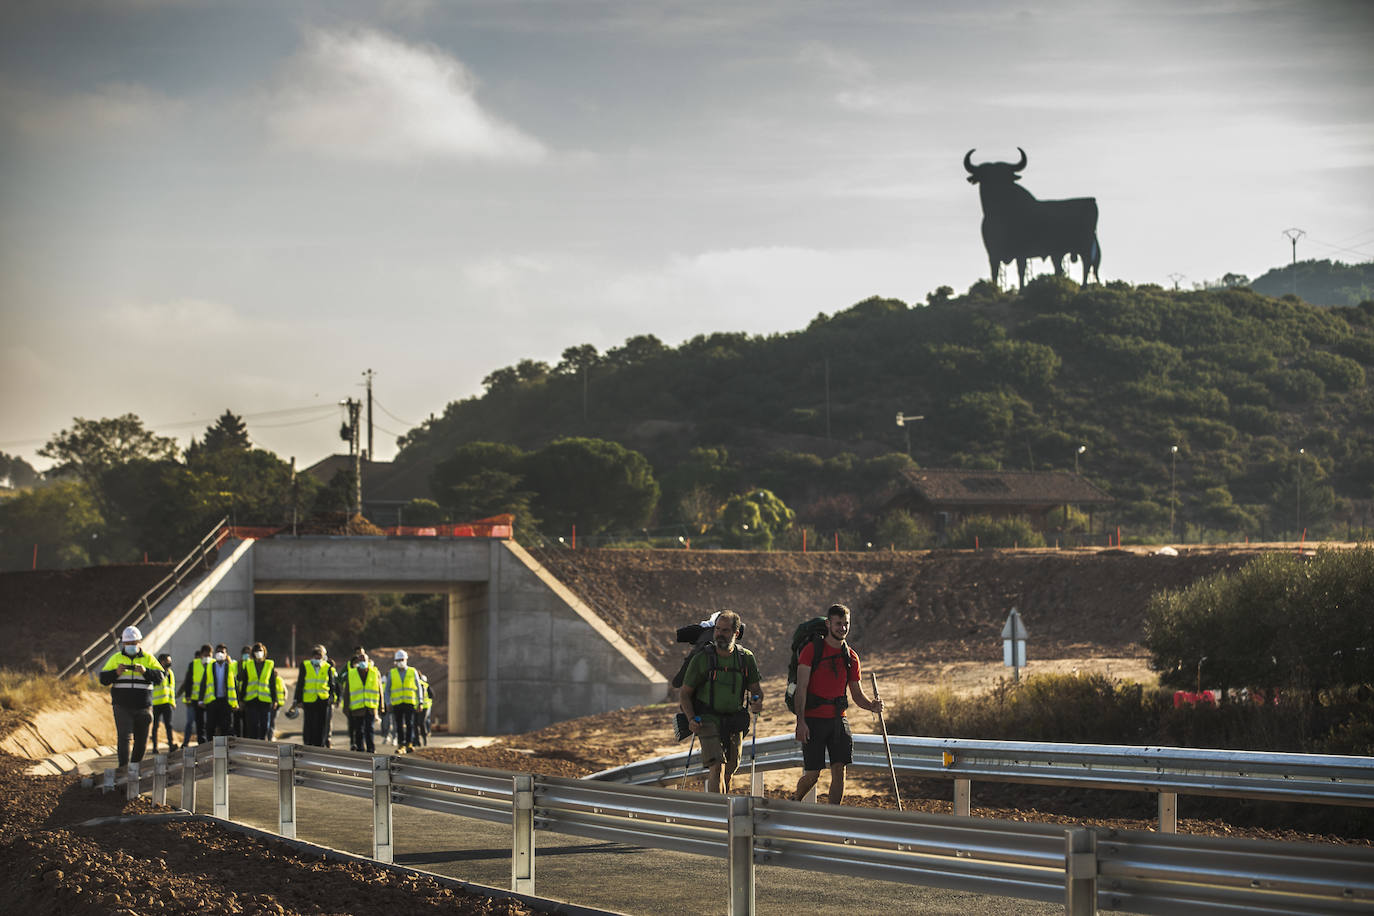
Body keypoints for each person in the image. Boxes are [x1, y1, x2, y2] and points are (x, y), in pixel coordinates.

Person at [791, 603, 883, 805]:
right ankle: (795, 800)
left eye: (846, 624)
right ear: (828, 624)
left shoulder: (851, 657)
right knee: (813, 774)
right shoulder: (811, 651)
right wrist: (801, 721)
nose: (842, 628)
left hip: (838, 720)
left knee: (840, 771)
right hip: (813, 720)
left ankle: (832, 817)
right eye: (838, 623)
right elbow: (802, 688)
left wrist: (872, 706)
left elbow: (857, 695)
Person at [678, 610, 763, 793]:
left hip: (734, 721)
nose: (719, 634)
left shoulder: (745, 658)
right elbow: (685, 693)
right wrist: (691, 718)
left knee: (729, 770)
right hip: (707, 720)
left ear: (736, 633)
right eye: (717, 629)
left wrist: (757, 701)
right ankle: (719, 814)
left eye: (725, 630)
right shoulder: (702, 658)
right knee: (717, 766)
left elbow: (756, 690)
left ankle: (724, 810)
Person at [98, 626, 165, 769]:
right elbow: (103, 679)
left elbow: (160, 677)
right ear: (123, 643)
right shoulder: (116, 658)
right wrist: (116, 673)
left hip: (143, 707)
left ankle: (135, 769)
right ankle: (123, 769)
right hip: (122, 706)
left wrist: (145, 671)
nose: (131, 646)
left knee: (141, 741)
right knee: (124, 737)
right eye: (128, 643)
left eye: (134, 643)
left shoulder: (148, 658)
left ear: (140, 642)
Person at [291, 645, 337, 747]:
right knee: (309, 722)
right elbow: (300, 683)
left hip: (323, 699)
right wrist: (298, 700)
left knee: (322, 724)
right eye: (316, 656)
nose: (318, 659)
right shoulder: (305, 665)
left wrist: (332, 697)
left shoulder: (327, 667)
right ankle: (308, 742)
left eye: (319, 657)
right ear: (312, 656)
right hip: (309, 699)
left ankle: (320, 744)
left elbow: (331, 684)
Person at [340, 652, 384, 753]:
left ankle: (371, 750)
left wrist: (381, 706)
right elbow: (347, 692)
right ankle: (360, 750)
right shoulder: (351, 674)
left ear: (368, 661)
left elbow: (380, 690)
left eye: (364, 660)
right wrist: (346, 707)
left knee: (370, 729)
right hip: (357, 708)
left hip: (370, 707)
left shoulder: (374, 672)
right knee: (359, 731)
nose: (362, 662)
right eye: (360, 660)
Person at [239, 641, 277, 740]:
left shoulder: (269, 664)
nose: (258, 653)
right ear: (253, 653)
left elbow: (272, 683)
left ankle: (262, 744)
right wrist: (242, 700)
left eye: (260, 651)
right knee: (253, 725)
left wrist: (275, 699)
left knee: (265, 725)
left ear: (264, 652)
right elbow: (245, 683)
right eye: (256, 651)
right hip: (251, 700)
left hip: (265, 700)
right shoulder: (248, 665)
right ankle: (253, 746)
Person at [201, 643, 239, 737]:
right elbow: (203, 683)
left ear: (226, 655)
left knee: (225, 726)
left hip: (225, 701)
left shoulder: (230, 667)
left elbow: (235, 685)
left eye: (222, 652)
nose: (220, 654)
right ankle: (209, 747)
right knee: (210, 726)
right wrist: (201, 700)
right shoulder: (210, 666)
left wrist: (236, 702)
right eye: (218, 651)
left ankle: (225, 748)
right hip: (213, 701)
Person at [387, 650, 420, 754]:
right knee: (399, 724)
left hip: (409, 702)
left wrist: (421, 702)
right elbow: (387, 690)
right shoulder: (392, 673)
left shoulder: (412, 671)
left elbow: (418, 688)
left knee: (410, 723)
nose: (400, 661)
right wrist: (388, 703)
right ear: (395, 661)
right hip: (397, 704)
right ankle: (401, 744)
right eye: (398, 660)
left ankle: (409, 743)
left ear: (406, 660)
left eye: (402, 659)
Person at [180, 645, 211, 745]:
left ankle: (209, 741)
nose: (207, 656)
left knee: (210, 722)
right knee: (199, 722)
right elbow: (188, 681)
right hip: (196, 698)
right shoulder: (193, 664)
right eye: (205, 654)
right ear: (201, 654)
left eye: (209, 655)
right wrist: (188, 695)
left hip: (210, 698)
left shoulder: (213, 664)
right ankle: (200, 742)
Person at [150, 652, 178, 753]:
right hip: (156, 703)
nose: (169, 663)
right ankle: (154, 747)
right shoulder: (155, 672)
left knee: (169, 725)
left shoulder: (170, 673)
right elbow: (155, 684)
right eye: (167, 661)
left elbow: (171, 688)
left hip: (167, 703)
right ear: (161, 662)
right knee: (155, 726)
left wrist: (172, 702)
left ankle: (171, 745)